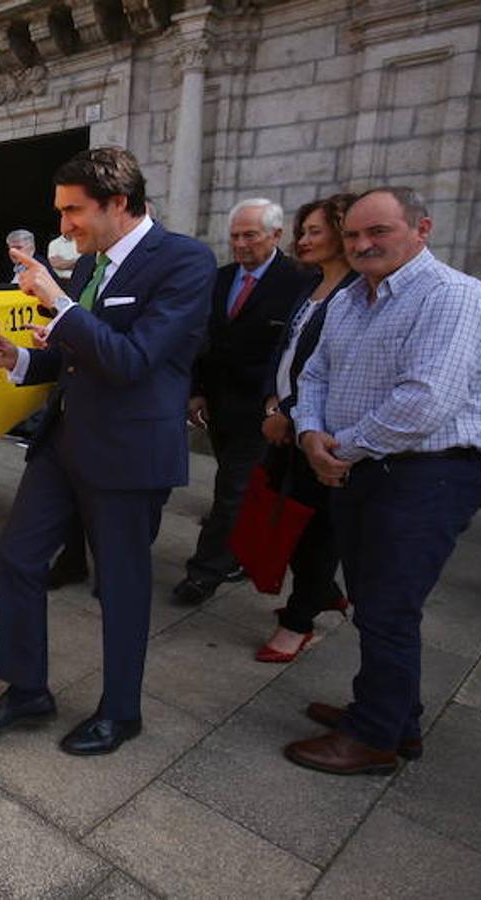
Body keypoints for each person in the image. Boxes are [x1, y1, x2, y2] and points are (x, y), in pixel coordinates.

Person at [0, 147, 215, 755]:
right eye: (61, 211)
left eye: (74, 211)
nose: (65, 225)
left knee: (122, 586)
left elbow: (132, 361)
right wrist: (19, 359)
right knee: (17, 558)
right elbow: (79, 356)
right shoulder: (89, 267)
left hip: (129, 456)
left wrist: (62, 303)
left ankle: (121, 712)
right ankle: (27, 691)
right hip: (65, 444)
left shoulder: (185, 262)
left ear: (118, 203)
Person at [286, 187, 481, 775]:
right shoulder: (352, 298)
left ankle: (375, 737)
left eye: (377, 232)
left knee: (388, 609)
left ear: (421, 228)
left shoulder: (453, 295)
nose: (361, 245)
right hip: (358, 470)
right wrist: (310, 434)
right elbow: (315, 376)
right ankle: (392, 717)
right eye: (352, 235)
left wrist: (341, 451)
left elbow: (424, 403)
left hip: (423, 476)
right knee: (375, 603)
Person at [172, 199, 306, 605]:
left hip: (262, 410)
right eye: (235, 236)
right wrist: (195, 390)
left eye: (251, 235)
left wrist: (280, 405)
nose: (242, 244)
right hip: (217, 404)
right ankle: (241, 552)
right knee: (240, 487)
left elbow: (296, 351)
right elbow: (201, 338)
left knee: (232, 489)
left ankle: (204, 571)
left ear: (276, 235)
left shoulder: (299, 281)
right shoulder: (221, 278)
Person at [254, 193, 359, 663]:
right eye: (304, 231)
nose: (305, 240)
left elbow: (337, 375)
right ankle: (326, 592)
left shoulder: (358, 295)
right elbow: (285, 355)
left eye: (316, 231)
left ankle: (299, 622)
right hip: (283, 420)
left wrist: (292, 416)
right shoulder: (311, 286)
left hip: (324, 433)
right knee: (291, 518)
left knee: (315, 530)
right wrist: (271, 403)